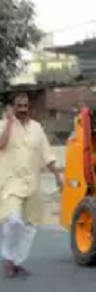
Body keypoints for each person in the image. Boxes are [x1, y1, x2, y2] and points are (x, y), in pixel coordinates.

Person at [0, 92, 62, 278]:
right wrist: (10, 122)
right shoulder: (4, 126)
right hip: (11, 183)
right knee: (13, 221)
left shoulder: (37, 128)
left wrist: (58, 177)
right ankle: (8, 259)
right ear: (11, 107)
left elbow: (47, 154)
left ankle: (17, 261)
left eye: (25, 106)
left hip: (33, 184)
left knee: (30, 226)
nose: (22, 110)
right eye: (18, 106)